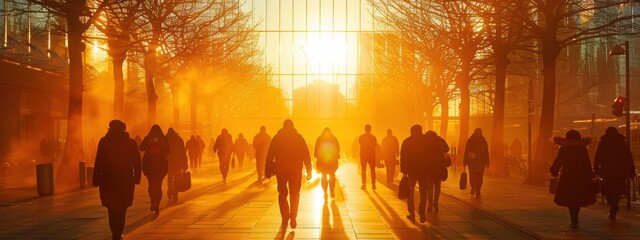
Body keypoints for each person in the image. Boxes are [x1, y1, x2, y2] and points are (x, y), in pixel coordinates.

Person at [93, 120, 141, 240]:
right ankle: (118, 233)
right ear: (124, 129)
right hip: (126, 180)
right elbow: (137, 162)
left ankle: (115, 233)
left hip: (108, 180)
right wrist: (137, 178)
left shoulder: (104, 142)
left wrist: (96, 179)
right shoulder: (131, 143)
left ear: (109, 129)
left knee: (112, 209)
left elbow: (98, 161)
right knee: (122, 209)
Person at [266, 119, 312, 229]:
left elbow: (270, 155)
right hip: (296, 170)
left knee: (282, 193)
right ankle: (293, 215)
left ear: (283, 126)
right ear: (292, 126)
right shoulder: (298, 137)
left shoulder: (277, 138)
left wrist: (267, 169)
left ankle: (285, 216)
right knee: (295, 193)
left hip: (281, 170)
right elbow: (306, 154)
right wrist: (309, 169)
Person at [550, 130, 595, 228]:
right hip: (580, 176)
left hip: (567, 176)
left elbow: (558, 161)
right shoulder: (583, 149)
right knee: (577, 197)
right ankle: (575, 217)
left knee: (570, 197)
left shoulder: (564, 149)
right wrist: (591, 174)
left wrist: (554, 170)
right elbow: (587, 163)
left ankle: (573, 218)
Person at [593, 127, 636, 221]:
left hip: (606, 171)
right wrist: (632, 170)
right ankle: (614, 205)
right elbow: (628, 157)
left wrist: (596, 169)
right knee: (617, 190)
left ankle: (612, 205)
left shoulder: (603, 143)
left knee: (608, 190)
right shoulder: (622, 143)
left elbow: (597, 157)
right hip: (620, 171)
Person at [139, 125, 169, 215]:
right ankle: (157, 205)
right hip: (161, 166)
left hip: (149, 165)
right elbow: (168, 151)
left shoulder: (148, 137)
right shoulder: (163, 138)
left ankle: (152, 202)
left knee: (151, 185)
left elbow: (141, 147)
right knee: (158, 185)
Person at [400, 124, 428, 222]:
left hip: (411, 171)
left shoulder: (407, 141)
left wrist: (403, 170)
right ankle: (421, 209)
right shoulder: (426, 141)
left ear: (411, 131)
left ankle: (411, 212)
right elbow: (430, 155)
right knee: (423, 192)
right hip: (424, 171)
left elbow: (403, 157)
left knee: (410, 191)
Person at [424, 130, 450, 214]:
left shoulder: (426, 142)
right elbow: (447, 148)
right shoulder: (440, 140)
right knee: (437, 186)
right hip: (439, 167)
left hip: (428, 168)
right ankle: (436, 202)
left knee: (429, 187)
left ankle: (430, 204)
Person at [463, 128, 489, 198]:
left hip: (481, 163)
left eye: (479, 133)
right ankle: (473, 186)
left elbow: (486, 152)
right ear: (474, 133)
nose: (478, 134)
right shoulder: (470, 141)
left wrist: (487, 162)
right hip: (472, 162)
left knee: (480, 177)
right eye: (476, 133)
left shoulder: (484, 142)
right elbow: (466, 151)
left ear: (481, 133)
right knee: (472, 177)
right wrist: (465, 161)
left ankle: (478, 190)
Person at [314, 128, 340, 199]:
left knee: (324, 177)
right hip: (331, 162)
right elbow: (337, 149)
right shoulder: (333, 139)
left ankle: (325, 192)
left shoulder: (320, 139)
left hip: (323, 162)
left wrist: (317, 156)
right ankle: (331, 190)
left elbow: (316, 149)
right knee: (331, 176)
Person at [165, 128, 188, 201]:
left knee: (170, 177)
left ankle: (170, 191)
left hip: (169, 162)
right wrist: (185, 163)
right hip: (177, 162)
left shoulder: (165, 139)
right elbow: (183, 152)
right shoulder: (179, 139)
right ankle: (175, 193)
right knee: (177, 178)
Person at [359, 124, 378, 190]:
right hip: (371, 156)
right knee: (372, 170)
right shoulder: (373, 137)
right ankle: (373, 184)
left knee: (363, 170)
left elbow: (360, 143)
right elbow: (375, 145)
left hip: (364, 155)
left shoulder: (361, 137)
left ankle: (364, 184)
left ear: (365, 129)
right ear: (370, 129)